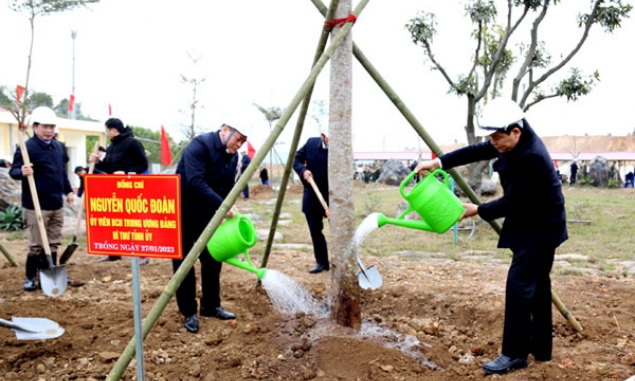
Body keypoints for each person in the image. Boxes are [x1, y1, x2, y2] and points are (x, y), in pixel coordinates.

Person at [415, 98, 567, 376]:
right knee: (538, 286)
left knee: (519, 287)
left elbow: (513, 202)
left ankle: (514, 354)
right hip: (539, 222)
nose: (493, 143)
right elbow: (479, 149)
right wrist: (438, 162)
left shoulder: (531, 155)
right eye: (492, 137)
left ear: (515, 132)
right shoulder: (513, 137)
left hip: (539, 226)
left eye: (497, 138)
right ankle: (541, 349)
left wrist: (476, 210)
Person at [172, 122, 247, 333]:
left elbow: (226, 186)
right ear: (225, 130)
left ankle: (211, 305)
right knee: (184, 262)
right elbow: (195, 181)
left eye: (243, 141)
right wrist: (222, 206)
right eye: (237, 139)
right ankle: (188, 312)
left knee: (213, 258)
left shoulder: (232, 156)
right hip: (185, 212)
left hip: (210, 215)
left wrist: (228, 204)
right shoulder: (199, 146)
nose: (239, 145)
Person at [9, 106, 75, 291]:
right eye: (45, 127)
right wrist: (22, 171)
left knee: (54, 242)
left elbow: (61, 173)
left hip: (56, 203)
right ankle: (30, 277)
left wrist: (68, 191)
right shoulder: (27, 147)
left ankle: (49, 274)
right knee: (37, 244)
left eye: (52, 127)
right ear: (36, 127)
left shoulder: (58, 147)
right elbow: (13, 171)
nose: (49, 131)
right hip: (36, 204)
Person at [90, 118, 148, 263]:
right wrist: (97, 162)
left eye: (107, 131)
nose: (106, 134)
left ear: (113, 130)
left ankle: (142, 255)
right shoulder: (112, 147)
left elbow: (142, 164)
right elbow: (109, 168)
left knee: (134, 221)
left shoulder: (133, 143)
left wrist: (127, 173)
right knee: (114, 221)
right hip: (114, 190)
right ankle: (114, 253)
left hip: (131, 189)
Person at [293, 129, 330, 274]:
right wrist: (303, 170)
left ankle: (344, 263)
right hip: (313, 194)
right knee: (315, 230)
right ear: (323, 136)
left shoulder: (341, 149)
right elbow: (296, 160)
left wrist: (336, 205)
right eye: (329, 138)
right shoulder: (311, 143)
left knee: (339, 231)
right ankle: (322, 262)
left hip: (332, 196)